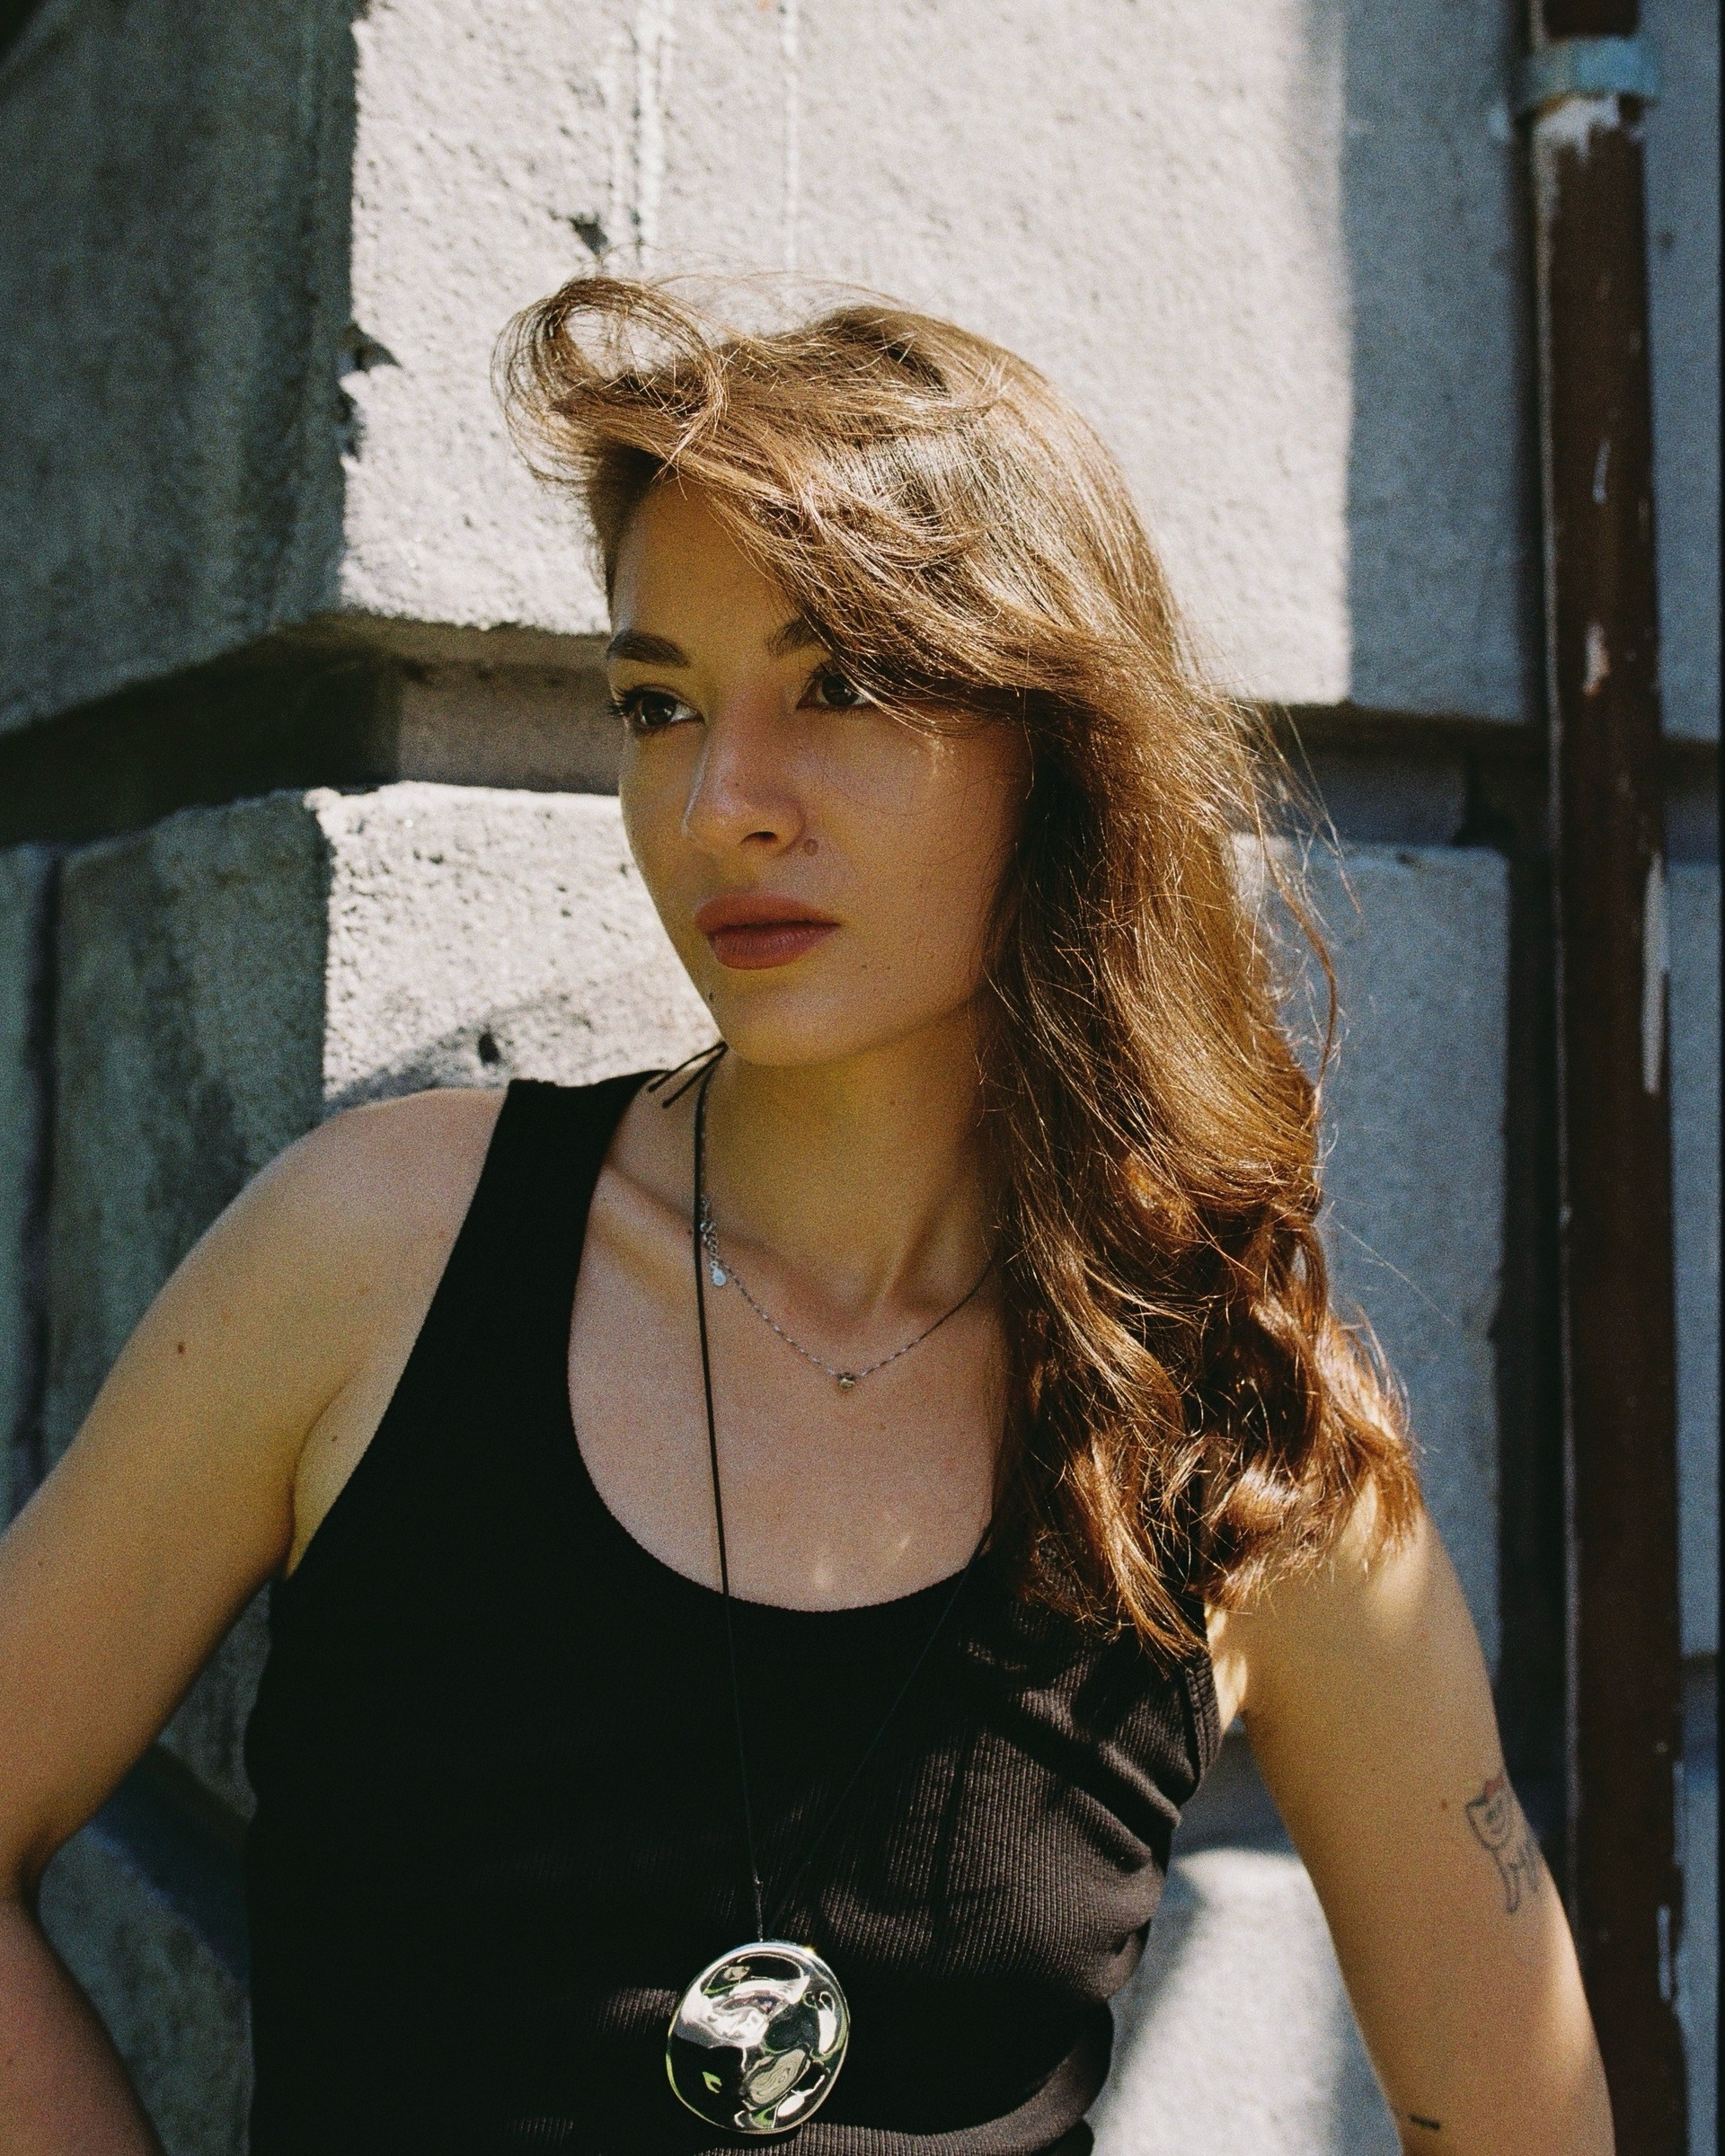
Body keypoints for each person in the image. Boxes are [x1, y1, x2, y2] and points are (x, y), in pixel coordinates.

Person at [0, 279, 1611, 2156]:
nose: (720, 806)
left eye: (839, 684)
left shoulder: (1238, 1429)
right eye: (659, 704)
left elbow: (1526, 2113)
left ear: (1059, 742)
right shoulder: (380, 1255)